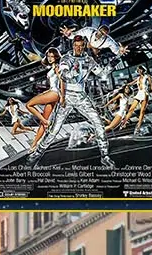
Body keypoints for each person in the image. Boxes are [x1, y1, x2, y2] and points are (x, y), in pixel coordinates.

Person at [30, 35, 112, 166]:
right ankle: (36, 154)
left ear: (84, 46)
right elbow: (63, 73)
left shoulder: (89, 60)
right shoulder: (66, 59)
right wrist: (70, 73)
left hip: (81, 97)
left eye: (81, 46)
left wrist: (113, 62)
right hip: (67, 97)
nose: (78, 48)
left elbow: (102, 73)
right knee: (54, 130)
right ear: (73, 45)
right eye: (76, 45)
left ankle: (105, 156)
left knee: (99, 125)